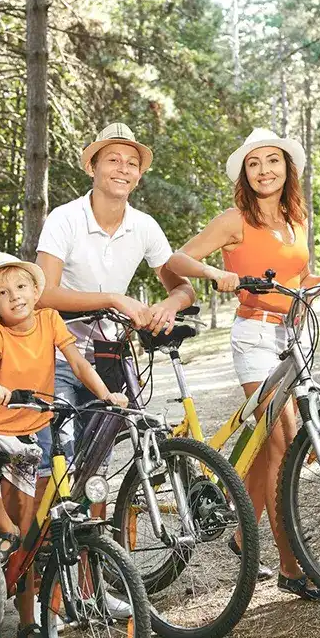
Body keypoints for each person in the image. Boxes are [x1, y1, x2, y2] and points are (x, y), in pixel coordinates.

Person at [165, 128, 320, 600]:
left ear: (287, 169)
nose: (264, 170)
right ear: (245, 175)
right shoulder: (234, 220)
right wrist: (218, 275)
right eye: (255, 164)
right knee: (285, 439)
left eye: (273, 161)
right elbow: (175, 258)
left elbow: (297, 275)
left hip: (295, 333)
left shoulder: (296, 217)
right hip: (253, 336)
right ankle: (291, 568)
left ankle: (240, 528)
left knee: (273, 447)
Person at [0, 252, 128, 638]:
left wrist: (105, 396)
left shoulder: (50, 321)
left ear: (36, 291)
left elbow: (78, 362)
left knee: (31, 531)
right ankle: (1, 530)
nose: (14, 296)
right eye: (2, 292)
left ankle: (27, 623)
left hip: (31, 433)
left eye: (20, 287)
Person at [34, 121, 195, 476]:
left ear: (138, 176)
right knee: (53, 465)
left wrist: (168, 306)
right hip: (55, 355)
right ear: (92, 167)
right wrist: (112, 299)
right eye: (113, 159)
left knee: (97, 467)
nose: (123, 168)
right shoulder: (64, 219)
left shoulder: (144, 226)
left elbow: (184, 289)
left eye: (132, 163)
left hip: (109, 358)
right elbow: (43, 294)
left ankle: (95, 534)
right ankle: (43, 534)